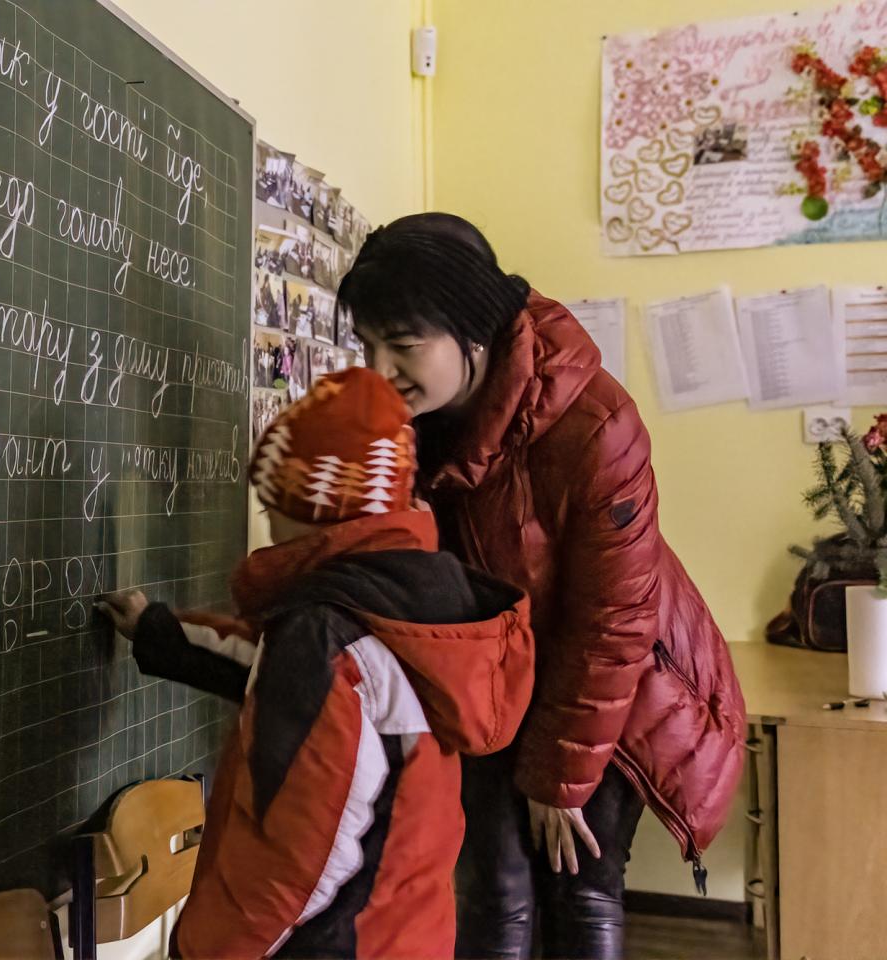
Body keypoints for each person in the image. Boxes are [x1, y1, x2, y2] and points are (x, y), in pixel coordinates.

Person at [333, 213, 746, 960]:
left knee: (579, 886)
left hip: (614, 691)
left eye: (402, 345)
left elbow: (617, 619)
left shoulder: (595, 422)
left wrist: (562, 775)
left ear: (475, 334)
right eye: (368, 345)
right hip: (502, 688)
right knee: (494, 893)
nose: (381, 367)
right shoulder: (416, 422)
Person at [98, 368, 534, 959]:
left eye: (276, 502)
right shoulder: (408, 611)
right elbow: (269, 667)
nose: (268, 522)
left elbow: (298, 860)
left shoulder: (325, 640)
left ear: (321, 510)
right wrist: (160, 632)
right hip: (405, 930)